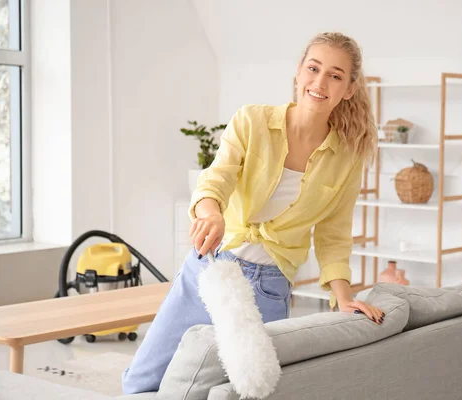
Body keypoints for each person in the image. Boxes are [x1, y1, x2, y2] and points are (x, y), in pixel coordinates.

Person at [122, 31, 385, 395]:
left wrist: (344, 298)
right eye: (314, 68)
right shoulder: (252, 121)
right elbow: (215, 180)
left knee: (241, 391)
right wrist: (211, 213)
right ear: (298, 72)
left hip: (269, 288)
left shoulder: (347, 157)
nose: (320, 82)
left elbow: (333, 234)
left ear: (349, 89)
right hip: (210, 270)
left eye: (335, 75)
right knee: (142, 381)